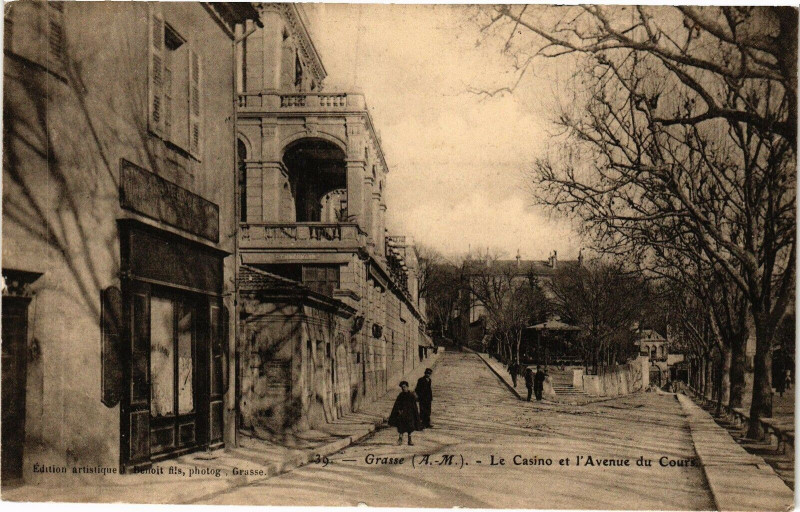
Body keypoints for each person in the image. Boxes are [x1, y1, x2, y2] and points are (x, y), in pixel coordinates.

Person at [388, 381, 420, 445]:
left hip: (409, 414)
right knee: (400, 427)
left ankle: (409, 440)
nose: (403, 388)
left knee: (410, 428)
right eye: (402, 387)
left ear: (407, 387)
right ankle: (400, 440)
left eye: (404, 387)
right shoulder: (400, 395)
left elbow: (414, 406)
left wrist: (415, 415)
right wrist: (398, 411)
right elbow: (397, 405)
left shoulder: (411, 395)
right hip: (402, 414)